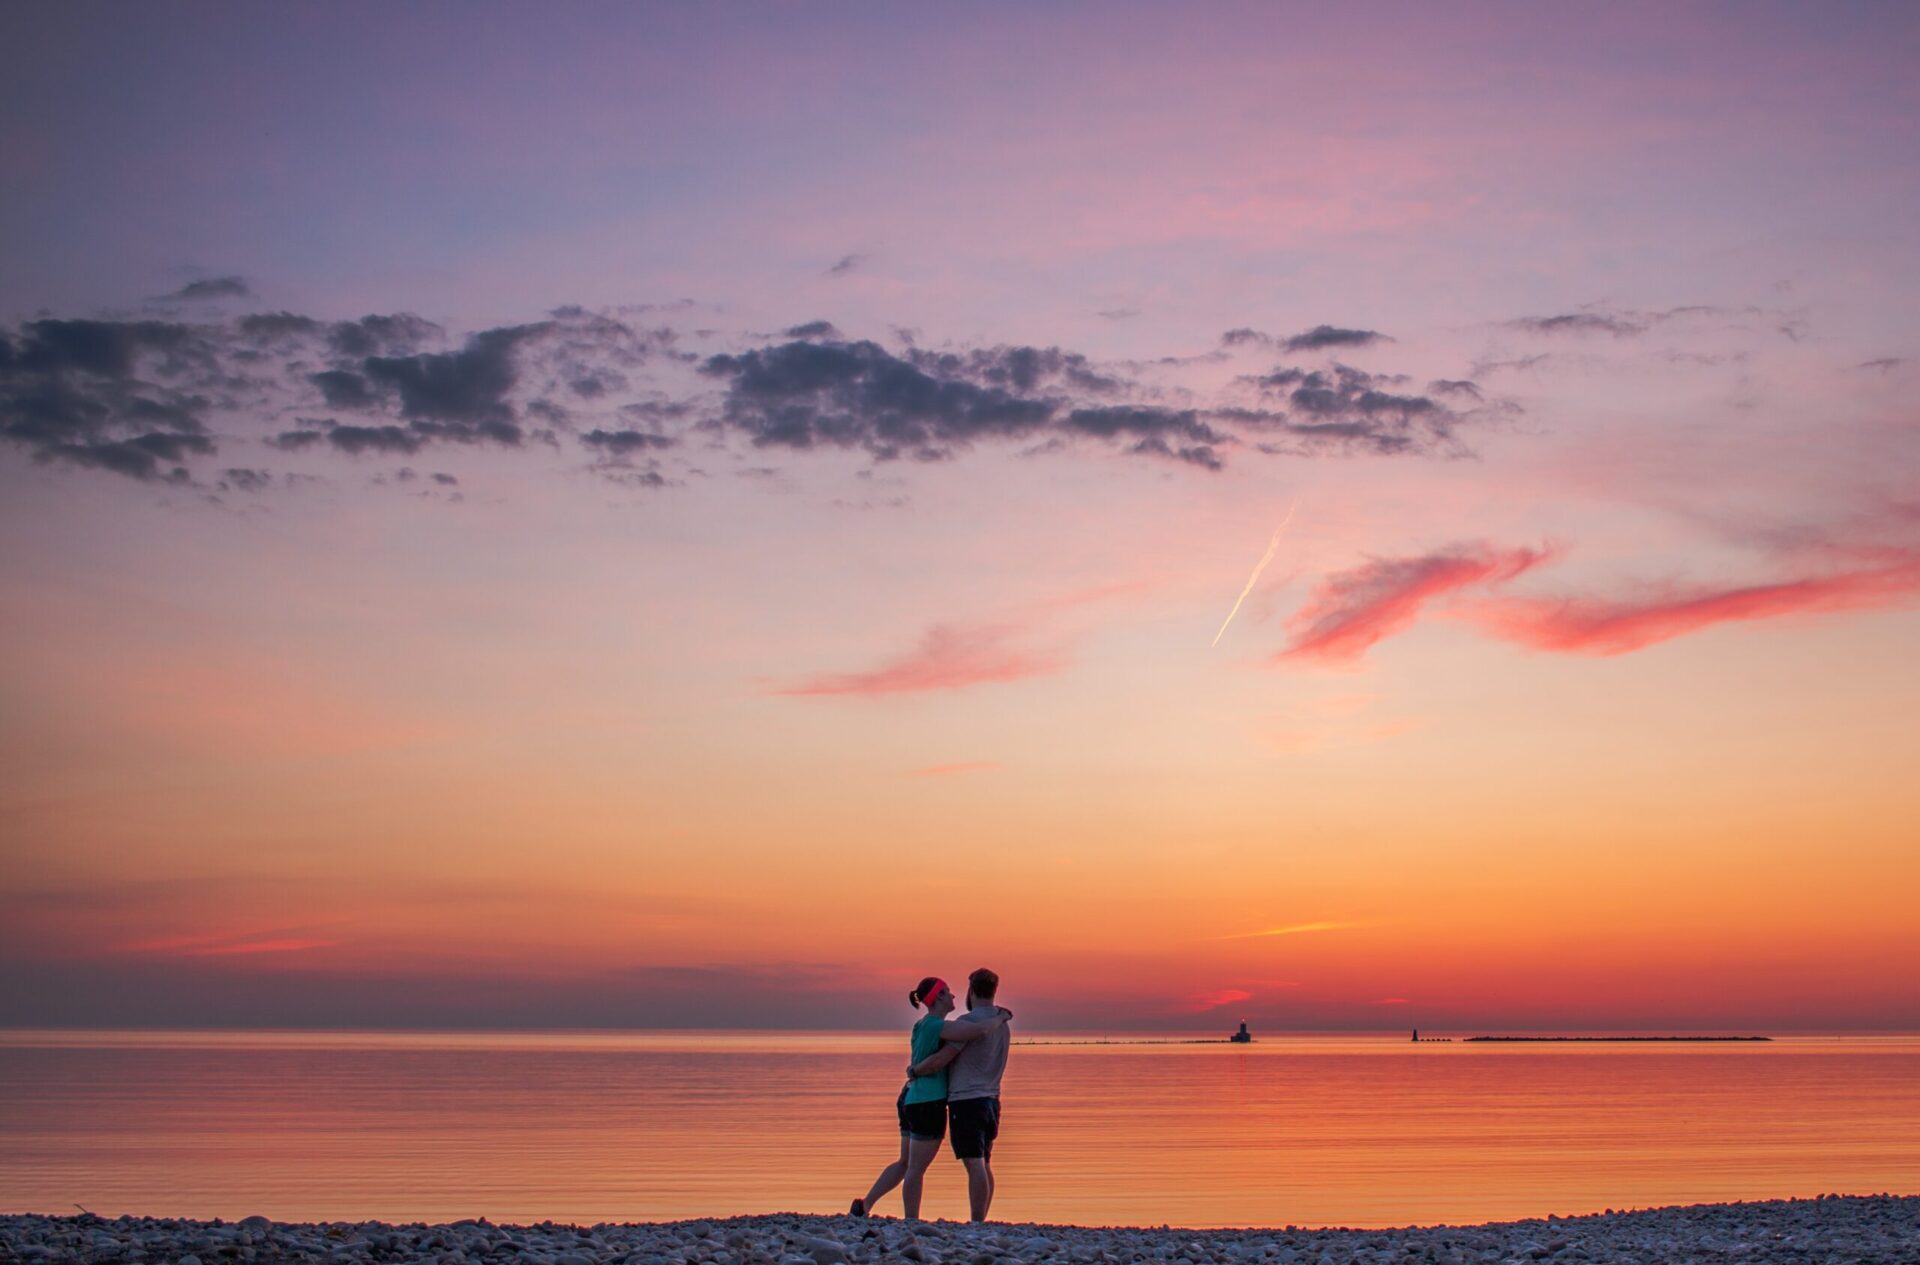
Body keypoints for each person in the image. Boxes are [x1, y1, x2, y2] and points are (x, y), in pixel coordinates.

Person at [849, 976, 1008, 1219]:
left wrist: (914, 1070)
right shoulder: (940, 1026)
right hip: (928, 1101)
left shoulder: (922, 1025)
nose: (954, 996)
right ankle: (911, 1220)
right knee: (917, 1168)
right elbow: (973, 1034)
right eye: (948, 992)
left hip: (910, 1097)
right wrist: (1000, 1016)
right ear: (939, 998)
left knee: (906, 1162)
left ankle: (866, 1204)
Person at [908, 967, 1009, 1222]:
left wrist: (915, 1069)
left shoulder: (967, 1023)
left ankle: (976, 1222)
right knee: (984, 1162)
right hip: (992, 1100)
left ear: (972, 991)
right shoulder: (1002, 1024)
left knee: (974, 1163)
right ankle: (981, 1219)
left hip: (967, 1101)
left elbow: (942, 1059)